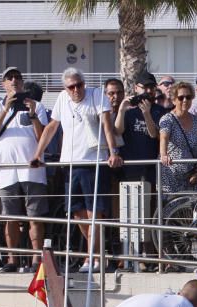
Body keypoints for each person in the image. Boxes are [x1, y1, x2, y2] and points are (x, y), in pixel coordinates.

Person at [30, 68, 123, 274]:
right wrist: (38, 154)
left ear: (84, 83)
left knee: (94, 213)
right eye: (71, 87)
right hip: (70, 163)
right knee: (78, 214)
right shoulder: (63, 98)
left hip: (94, 161)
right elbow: (52, 127)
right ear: (66, 88)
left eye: (79, 85)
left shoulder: (97, 95)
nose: (76, 90)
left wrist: (112, 151)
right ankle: (96, 255)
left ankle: (93, 258)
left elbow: (107, 126)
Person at [0, 67, 49, 273]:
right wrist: (6, 109)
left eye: (17, 77)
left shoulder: (37, 106)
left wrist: (32, 115)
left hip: (32, 170)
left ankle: (36, 261)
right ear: (3, 84)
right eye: (9, 78)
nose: (14, 80)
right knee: (10, 217)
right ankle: (12, 260)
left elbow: (43, 138)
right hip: (7, 172)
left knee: (34, 217)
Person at [159, 81, 197, 198]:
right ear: (173, 100)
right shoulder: (168, 119)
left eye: (188, 97)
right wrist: (163, 154)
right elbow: (163, 137)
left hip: (191, 177)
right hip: (170, 176)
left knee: (192, 211)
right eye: (181, 97)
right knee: (171, 211)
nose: (185, 100)